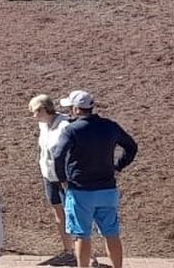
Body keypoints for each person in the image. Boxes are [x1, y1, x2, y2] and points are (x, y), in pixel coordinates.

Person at [54, 90, 138, 268]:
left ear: (77, 110)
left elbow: (58, 155)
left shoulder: (71, 130)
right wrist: (119, 166)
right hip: (107, 190)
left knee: (82, 235)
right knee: (111, 233)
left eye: (70, 108)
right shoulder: (110, 126)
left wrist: (62, 179)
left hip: (80, 191)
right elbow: (131, 146)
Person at [30, 94, 73, 261]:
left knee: (72, 214)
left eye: (34, 112)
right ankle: (68, 251)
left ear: (43, 110)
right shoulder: (43, 124)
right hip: (48, 176)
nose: (33, 116)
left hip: (64, 178)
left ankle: (87, 255)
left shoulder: (65, 125)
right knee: (58, 214)